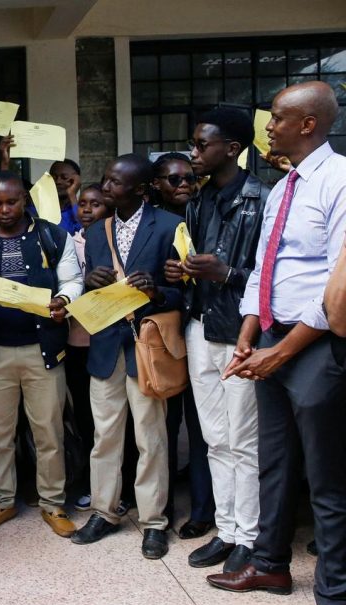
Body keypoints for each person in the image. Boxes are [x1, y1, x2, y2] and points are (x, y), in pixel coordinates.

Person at [207, 81, 346, 605]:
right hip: (269, 336)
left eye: (278, 118)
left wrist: (282, 350)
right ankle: (269, 565)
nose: (268, 126)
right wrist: (249, 334)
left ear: (308, 124)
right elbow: (265, 266)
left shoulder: (340, 181)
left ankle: (334, 602)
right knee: (275, 462)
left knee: (328, 481)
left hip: (317, 347)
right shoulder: (283, 187)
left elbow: (339, 285)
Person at [0, 172, 83, 537]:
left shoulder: (53, 236)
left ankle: (53, 503)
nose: (5, 209)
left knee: (48, 432)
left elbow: (73, 280)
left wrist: (64, 300)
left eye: (12, 201)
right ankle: (2, 500)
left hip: (43, 350)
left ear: (25, 199)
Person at [164, 108, 267, 573]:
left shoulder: (261, 199)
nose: (194, 152)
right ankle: (226, 531)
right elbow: (197, 262)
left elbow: (269, 277)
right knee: (214, 439)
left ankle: (249, 536)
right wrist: (181, 272)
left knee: (244, 441)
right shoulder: (199, 200)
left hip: (240, 332)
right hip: (200, 326)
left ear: (232, 148)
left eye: (202, 144)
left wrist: (226, 273)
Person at [70, 153, 184, 560]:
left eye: (115, 182)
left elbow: (184, 293)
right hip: (106, 347)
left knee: (150, 438)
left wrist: (156, 291)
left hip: (145, 347)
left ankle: (154, 522)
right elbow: (93, 289)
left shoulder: (169, 226)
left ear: (140, 189)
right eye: (105, 179)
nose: (105, 187)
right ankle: (104, 512)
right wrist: (90, 281)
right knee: (104, 436)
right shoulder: (96, 232)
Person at [150, 152, 214, 542]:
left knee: (202, 425)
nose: (185, 185)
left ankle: (203, 510)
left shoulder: (205, 212)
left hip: (203, 328)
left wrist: (191, 275)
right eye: (174, 179)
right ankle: (163, 506)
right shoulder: (151, 222)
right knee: (165, 425)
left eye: (190, 178)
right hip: (164, 336)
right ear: (155, 184)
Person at [68, 183, 109, 510]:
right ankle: (87, 481)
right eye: (82, 203)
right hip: (76, 341)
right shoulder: (68, 243)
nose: (87, 210)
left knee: (109, 418)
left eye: (95, 204)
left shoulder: (112, 241)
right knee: (84, 416)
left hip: (106, 339)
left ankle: (114, 484)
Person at [49, 159, 82, 235]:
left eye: (64, 177)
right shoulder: (40, 209)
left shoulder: (82, 209)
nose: (58, 181)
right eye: (54, 177)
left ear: (75, 181)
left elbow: (82, 231)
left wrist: (72, 195)